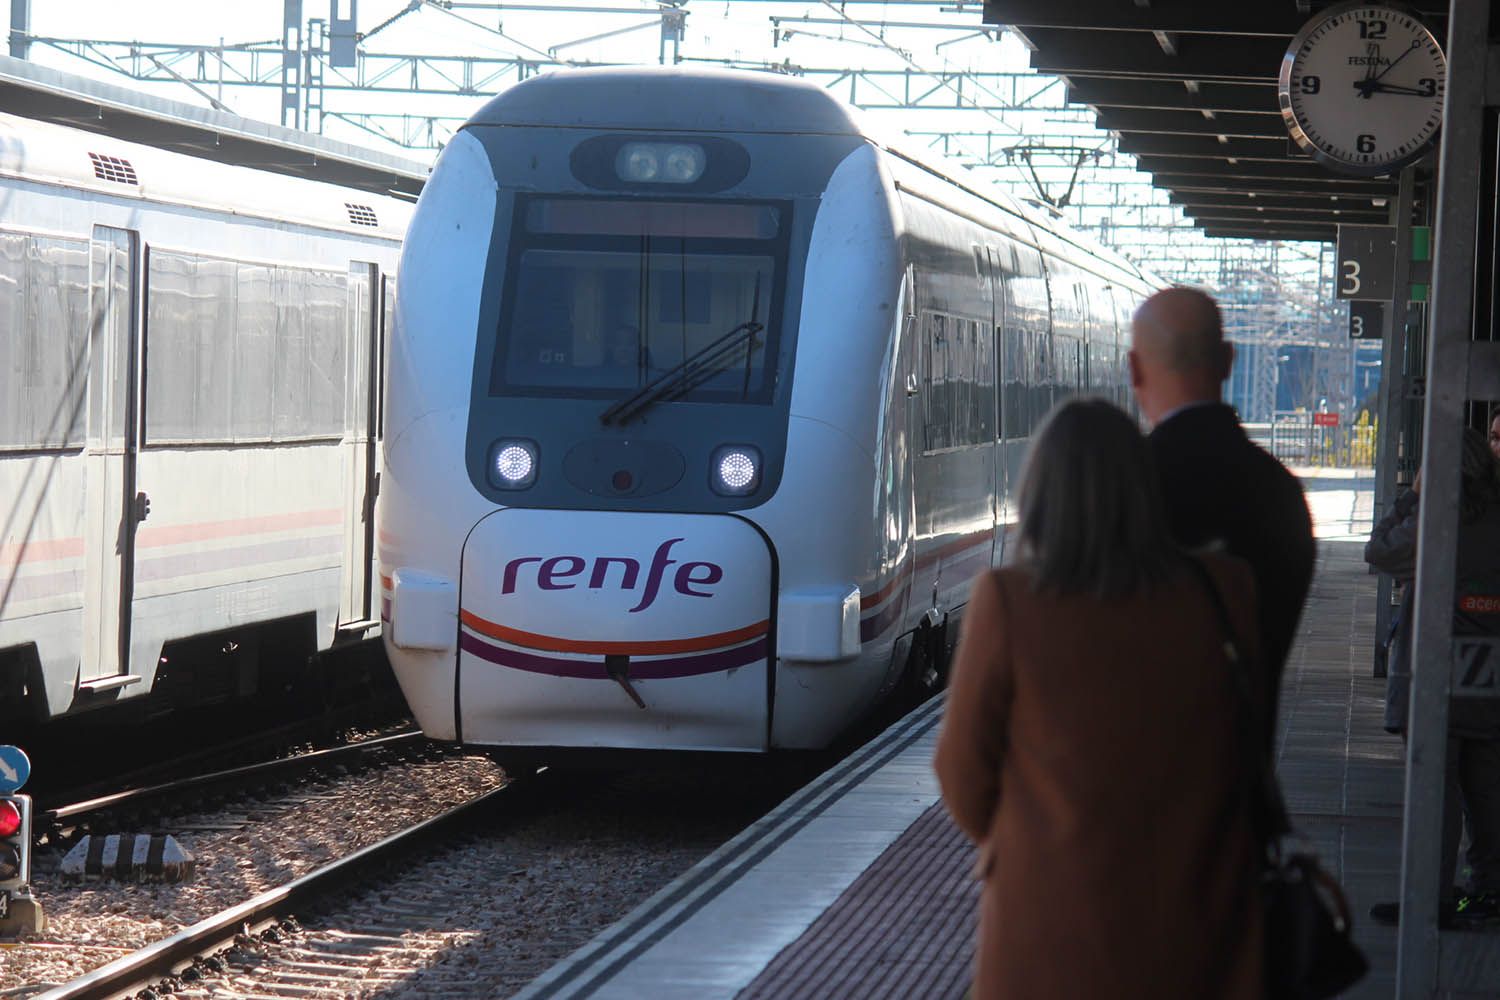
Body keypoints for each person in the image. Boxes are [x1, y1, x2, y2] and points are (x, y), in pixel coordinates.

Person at [935, 398, 1264, 999]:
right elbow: (1243, 743)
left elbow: (961, 773)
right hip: (1196, 913)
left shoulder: (1009, 601)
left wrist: (1035, 837)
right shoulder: (1224, 591)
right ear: (1144, 489)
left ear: (1038, 493)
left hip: (1046, 924)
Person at [1129, 286, 1315, 752]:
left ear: (1133, 369)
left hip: (1130, 793)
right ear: (1229, 360)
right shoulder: (1281, 492)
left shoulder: (1121, 487)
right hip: (1236, 793)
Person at [1364, 428, 1500, 926]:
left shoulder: (1435, 518)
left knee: (1435, 791)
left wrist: (1412, 496)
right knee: (1484, 789)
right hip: (1487, 674)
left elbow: (1379, 551)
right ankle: (1488, 890)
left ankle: (1432, 898)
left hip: (1436, 673)